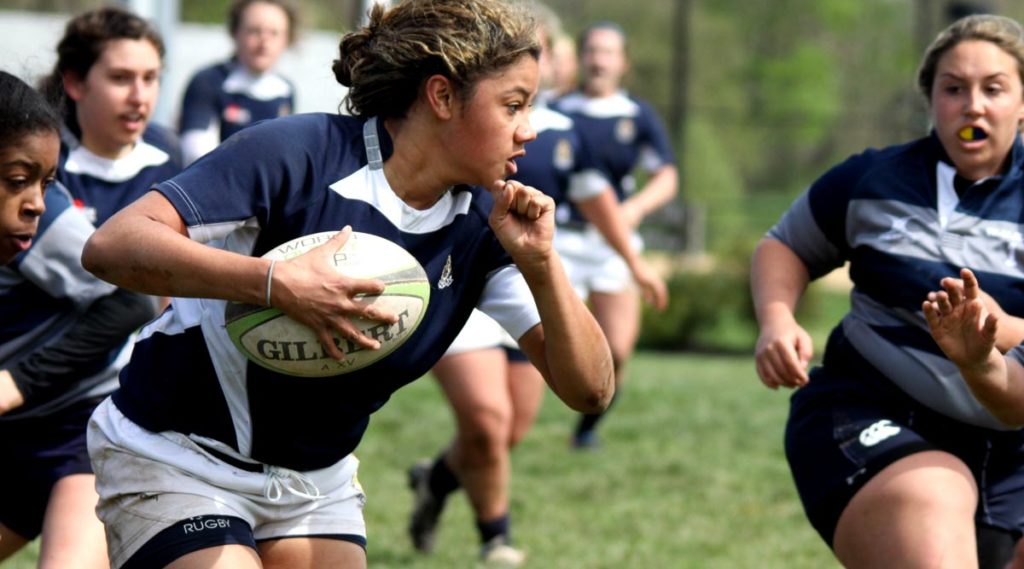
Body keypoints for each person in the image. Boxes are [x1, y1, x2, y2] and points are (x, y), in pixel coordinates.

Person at [80, 1, 615, 567]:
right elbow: (113, 245)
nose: (528, 129)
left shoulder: (487, 226)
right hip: (175, 452)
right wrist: (275, 284)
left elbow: (590, 391)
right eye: (513, 105)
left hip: (314, 481)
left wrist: (542, 261)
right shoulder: (299, 153)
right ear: (442, 97)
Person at [752, 14, 1024, 568]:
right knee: (934, 493)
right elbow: (785, 245)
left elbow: (1014, 400)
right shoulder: (871, 181)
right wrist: (777, 319)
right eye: (954, 89)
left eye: (993, 89)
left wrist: (983, 351)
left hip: (1011, 442)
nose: (973, 105)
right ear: (931, 102)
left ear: (1023, 104)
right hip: (870, 412)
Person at [405, 8, 668, 564]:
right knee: (487, 419)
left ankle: (436, 482)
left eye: (538, 52)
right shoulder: (453, 122)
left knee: (507, 432)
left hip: (518, 275)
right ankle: (496, 538)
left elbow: (601, 203)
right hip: (455, 273)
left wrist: (634, 263)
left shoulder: (562, 133)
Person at [0, 71, 156, 569]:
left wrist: (16, 381)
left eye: (45, 183)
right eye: (20, 181)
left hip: (83, 428)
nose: (38, 203)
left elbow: (131, 302)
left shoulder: (41, 226)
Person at [552, 21, 678, 449]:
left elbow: (667, 177)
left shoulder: (636, 116)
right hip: (563, 239)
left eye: (608, 53)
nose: (599, 60)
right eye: (592, 51)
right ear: (581, 59)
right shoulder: (558, 111)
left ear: (623, 63)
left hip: (614, 245)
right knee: (546, 340)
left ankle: (585, 431)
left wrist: (636, 208)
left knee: (617, 351)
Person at [38, 6, 181, 229]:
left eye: (150, 78)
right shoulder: (44, 159)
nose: (139, 97)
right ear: (75, 83)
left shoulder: (167, 154)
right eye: (120, 78)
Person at [178, 0, 298, 165]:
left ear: (287, 39)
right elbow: (196, 154)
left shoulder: (285, 90)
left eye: (274, 33)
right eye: (254, 31)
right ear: (235, 32)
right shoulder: (209, 82)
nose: (264, 41)